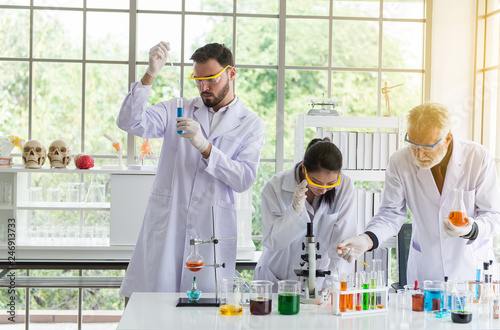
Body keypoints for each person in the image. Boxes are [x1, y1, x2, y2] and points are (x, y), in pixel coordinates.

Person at [116, 41, 266, 298]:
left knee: (205, 313)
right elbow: (129, 121)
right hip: (169, 226)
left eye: (211, 79)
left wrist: (206, 148)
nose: (203, 87)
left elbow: (243, 179)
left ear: (231, 73)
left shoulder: (251, 124)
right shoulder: (178, 109)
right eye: (198, 80)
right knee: (153, 307)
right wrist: (150, 74)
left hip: (211, 231)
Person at [337, 101, 500, 286]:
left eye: (427, 148)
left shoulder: (478, 158)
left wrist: (471, 229)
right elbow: (390, 213)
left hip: (470, 267)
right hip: (426, 268)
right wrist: (366, 240)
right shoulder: (400, 161)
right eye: (413, 145)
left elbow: (494, 215)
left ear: (447, 139)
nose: (418, 155)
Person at [254, 138, 356, 293]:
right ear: (304, 168)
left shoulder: (345, 188)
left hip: (320, 284)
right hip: (277, 280)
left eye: (330, 184)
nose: (323, 189)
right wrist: (294, 212)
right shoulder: (275, 186)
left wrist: (333, 282)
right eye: (315, 182)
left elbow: (342, 243)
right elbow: (273, 241)